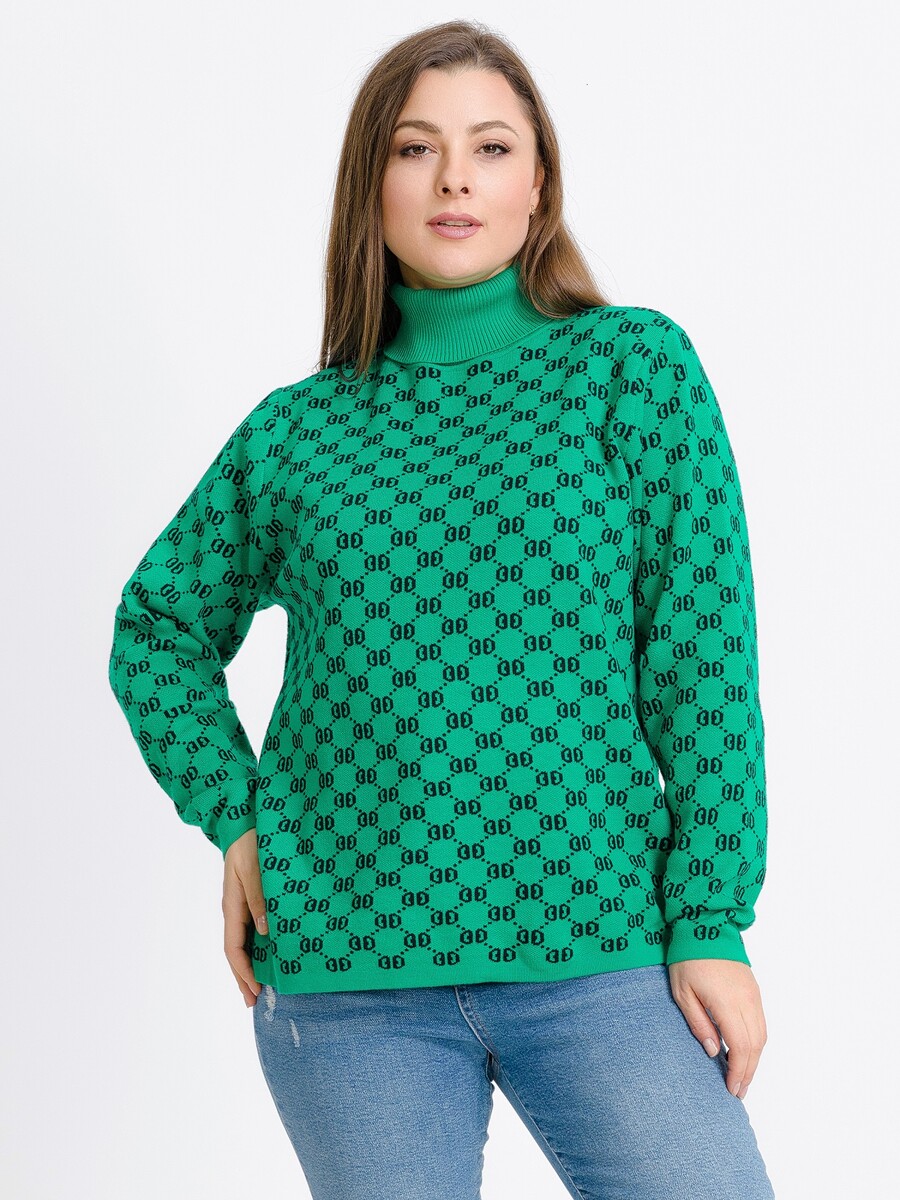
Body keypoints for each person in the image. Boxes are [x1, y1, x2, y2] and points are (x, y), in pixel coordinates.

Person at [108, 19, 775, 1200]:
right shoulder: (298, 431)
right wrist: (238, 819)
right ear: (371, 188)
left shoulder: (631, 370)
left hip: (603, 950)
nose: (454, 178)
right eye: (415, 149)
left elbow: (703, 662)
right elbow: (157, 628)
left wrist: (711, 919)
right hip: (346, 979)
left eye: (491, 147)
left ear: (538, 185)